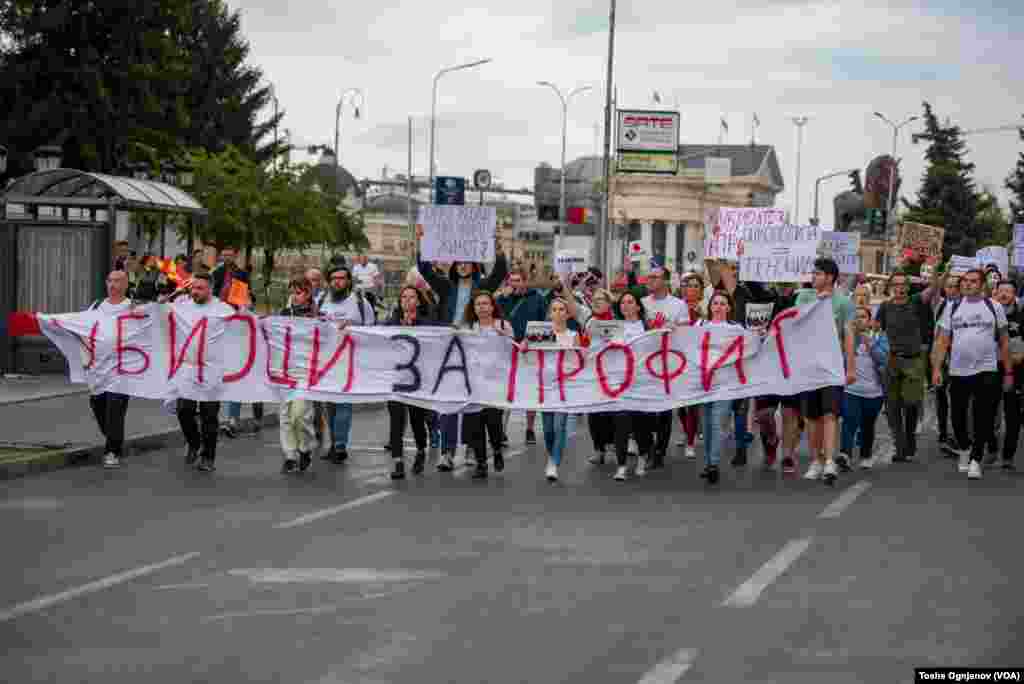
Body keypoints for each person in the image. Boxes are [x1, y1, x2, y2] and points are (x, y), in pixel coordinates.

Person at [417, 248, 508, 470]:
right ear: (454, 266)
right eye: (459, 262)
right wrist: (422, 242)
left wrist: (499, 247)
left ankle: (470, 447)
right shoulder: (446, 287)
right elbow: (424, 270)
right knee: (448, 401)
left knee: (471, 402)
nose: (463, 265)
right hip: (450, 351)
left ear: (475, 266)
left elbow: (500, 271)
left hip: (475, 352)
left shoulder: (483, 287)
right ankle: (447, 452)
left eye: (468, 262)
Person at [931, 268, 1012, 480]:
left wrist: (1009, 373)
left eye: (973, 281)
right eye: (965, 281)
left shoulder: (993, 307)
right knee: (957, 416)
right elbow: (942, 341)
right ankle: (965, 449)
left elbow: (1004, 342)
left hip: (987, 369)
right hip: (958, 370)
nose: (967, 284)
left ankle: (976, 459)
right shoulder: (952, 307)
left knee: (983, 416)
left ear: (983, 285)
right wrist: (937, 368)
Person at [794, 257, 853, 485]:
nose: (813, 277)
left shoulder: (844, 303)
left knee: (830, 414)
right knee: (811, 417)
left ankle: (829, 460)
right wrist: (817, 302)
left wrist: (851, 367)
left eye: (818, 273)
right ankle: (816, 460)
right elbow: (797, 324)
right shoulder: (804, 296)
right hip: (809, 365)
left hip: (832, 365)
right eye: (813, 273)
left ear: (830, 277)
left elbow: (847, 335)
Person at [168, 272, 234, 472]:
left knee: (209, 415)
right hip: (187, 368)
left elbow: (244, 328)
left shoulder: (223, 309)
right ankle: (194, 442)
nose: (195, 292)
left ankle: (208, 457)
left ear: (210, 289)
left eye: (200, 288)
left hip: (211, 370)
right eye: (193, 288)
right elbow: (157, 312)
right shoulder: (181, 306)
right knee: (183, 410)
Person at [874, 271, 935, 463]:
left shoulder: (916, 301)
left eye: (903, 284)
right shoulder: (884, 307)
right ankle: (900, 448)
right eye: (896, 284)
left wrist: (939, 271)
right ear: (891, 287)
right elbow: (875, 328)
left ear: (908, 287)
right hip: (891, 360)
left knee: (910, 404)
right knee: (892, 407)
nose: (899, 288)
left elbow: (934, 289)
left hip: (913, 361)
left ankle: (909, 441)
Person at [318, 265, 376, 464]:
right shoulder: (321, 301)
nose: (337, 281)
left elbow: (372, 331)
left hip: (350, 360)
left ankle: (341, 444)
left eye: (341, 278)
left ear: (349, 281)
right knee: (329, 405)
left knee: (343, 403)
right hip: (326, 362)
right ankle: (334, 443)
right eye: (333, 278)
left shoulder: (360, 303)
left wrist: (353, 328)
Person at [460, 290, 514, 478]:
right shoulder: (468, 327)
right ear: (473, 308)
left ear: (492, 307)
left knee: (493, 421)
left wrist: (505, 336)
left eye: (485, 303)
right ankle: (481, 463)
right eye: (478, 304)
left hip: (495, 383)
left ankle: (497, 450)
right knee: (476, 423)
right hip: (474, 383)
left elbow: (512, 349)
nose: (481, 307)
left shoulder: (503, 325)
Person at [85, 270, 135, 468]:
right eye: (110, 281)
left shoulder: (132, 307)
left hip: (122, 369)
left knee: (115, 407)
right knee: (98, 404)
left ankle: (112, 451)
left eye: (118, 281)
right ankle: (116, 439)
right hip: (98, 368)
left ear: (126, 284)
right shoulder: (97, 306)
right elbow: (84, 326)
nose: (113, 284)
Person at [640, 265, 688, 469]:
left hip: (669, 362)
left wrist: (671, 328)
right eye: (648, 277)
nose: (649, 280)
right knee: (645, 408)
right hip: (645, 361)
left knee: (666, 409)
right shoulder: (642, 303)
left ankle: (659, 451)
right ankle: (648, 447)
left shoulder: (678, 305)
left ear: (666, 281)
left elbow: (686, 332)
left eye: (654, 277)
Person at [696, 291, 746, 485]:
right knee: (707, 425)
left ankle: (714, 464)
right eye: (715, 303)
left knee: (717, 423)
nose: (718, 307)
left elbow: (749, 346)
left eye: (722, 303)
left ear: (729, 307)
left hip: (726, 383)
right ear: (710, 307)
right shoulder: (700, 326)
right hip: (703, 383)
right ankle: (708, 462)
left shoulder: (736, 328)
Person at [386, 286, 435, 479]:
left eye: (411, 297)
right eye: (403, 297)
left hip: (417, 382)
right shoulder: (390, 323)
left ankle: (421, 449)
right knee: (396, 422)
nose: (407, 300)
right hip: (396, 382)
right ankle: (398, 461)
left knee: (417, 420)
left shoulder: (426, 323)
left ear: (419, 301)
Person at [530, 297, 582, 482]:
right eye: (555, 309)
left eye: (562, 309)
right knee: (548, 429)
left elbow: (579, 360)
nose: (558, 313)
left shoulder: (573, 334)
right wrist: (524, 345)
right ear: (549, 313)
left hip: (564, 386)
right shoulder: (541, 332)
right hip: (545, 386)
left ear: (567, 314)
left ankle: (553, 462)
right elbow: (529, 353)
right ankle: (551, 453)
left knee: (560, 426)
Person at [496, 268, 548, 445]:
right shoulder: (503, 299)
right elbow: (495, 321)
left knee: (530, 389)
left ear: (525, 281)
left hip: (530, 349)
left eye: (518, 280)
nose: (514, 284)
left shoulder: (538, 299)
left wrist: (529, 340)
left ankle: (530, 429)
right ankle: (502, 430)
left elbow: (546, 326)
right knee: (507, 390)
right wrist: (500, 297)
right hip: (508, 348)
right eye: (511, 281)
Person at [609, 291, 654, 481]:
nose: (625, 305)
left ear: (637, 306)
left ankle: (643, 458)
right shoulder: (613, 327)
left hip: (642, 383)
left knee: (641, 425)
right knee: (621, 424)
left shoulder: (646, 326)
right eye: (622, 302)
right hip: (620, 383)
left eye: (630, 302)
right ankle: (621, 466)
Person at [278, 278, 320, 474]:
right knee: (286, 416)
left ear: (308, 294)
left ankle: (305, 447)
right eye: (293, 292)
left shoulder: (318, 317)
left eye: (300, 292)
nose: (295, 296)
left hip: (307, 372)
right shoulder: (283, 315)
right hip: (285, 370)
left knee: (299, 415)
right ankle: (290, 455)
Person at [841, 306, 889, 470]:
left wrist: (869, 343)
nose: (859, 319)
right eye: (856, 317)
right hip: (850, 390)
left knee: (867, 425)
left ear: (869, 321)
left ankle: (866, 453)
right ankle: (845, 455)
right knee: (849, 422)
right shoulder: (847, 339)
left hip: (874, 392)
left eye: (863, 317)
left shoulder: (878, 338)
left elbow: (884, 360)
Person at [991, 280, 1022, 470]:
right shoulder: (988, 312)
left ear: (1014, 294)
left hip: (1016, 367)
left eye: (1008, 291)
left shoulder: (1021, 313)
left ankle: (1008, 455)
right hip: (992, 366)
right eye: (1001, 290)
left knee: (1012, 413)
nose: (1004, 294)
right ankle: (992, 447)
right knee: (987, 409)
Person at [584, 288, 617, 464]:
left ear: (608, 303)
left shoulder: (616, 322)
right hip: (593, 373)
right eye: (594, 299)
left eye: (600, 299)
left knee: (610, 411)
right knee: (594, 413)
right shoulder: (590, 321)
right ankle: (598, 449)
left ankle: (612, 442)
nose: (596, 302)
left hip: (612, 374)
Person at [675, 272, 704, 459]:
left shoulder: (706, 308)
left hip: (697, 360)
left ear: (700, 289)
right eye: (687, 285)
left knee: (693, 404)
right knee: (680, 404)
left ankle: (691, 442)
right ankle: (688, 432)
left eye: (695, 285)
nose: (690, 288)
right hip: (678, 360)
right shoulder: (677, 307)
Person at [931, 273, 961, 454]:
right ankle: (944, 434)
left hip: (956, 356)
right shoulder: (941, 304)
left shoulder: (963, 306)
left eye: (954, 286)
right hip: (941, 356)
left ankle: (954, 435)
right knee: (941, 397)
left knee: (954, 398)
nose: (950, 290)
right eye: (948, 286)